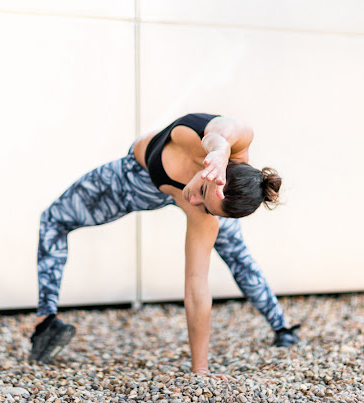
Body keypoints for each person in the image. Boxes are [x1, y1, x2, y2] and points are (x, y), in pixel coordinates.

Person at [28, 113, 301, 379]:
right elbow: (219, 134)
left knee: (237, 255)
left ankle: (283, 328)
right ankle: (46, 322)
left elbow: (196, 288)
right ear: (217, 170)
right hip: (138, 177)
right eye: (203, 193)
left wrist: (200, 370)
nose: (194, 201)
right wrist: (219, 151)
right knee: (53, 220)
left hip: (203, 196)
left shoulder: (204, 215)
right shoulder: (233, 139)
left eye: (207, 208)